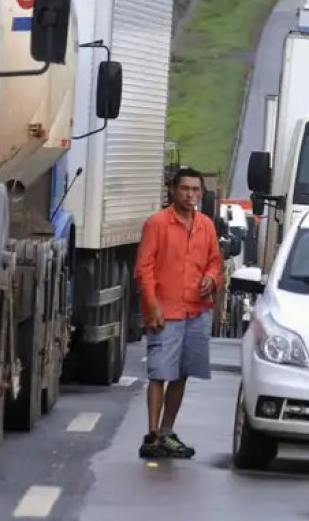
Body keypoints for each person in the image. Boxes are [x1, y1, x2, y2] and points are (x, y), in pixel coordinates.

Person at [134, 167, 223, 459]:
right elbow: (143, 269)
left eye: (196, 190)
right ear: (173, 191)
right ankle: (151, 435)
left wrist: (212, 277)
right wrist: (153, 305)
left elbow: (214, 262)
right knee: (160, 372)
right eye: (185, 189)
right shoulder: (157, 224)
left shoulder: (206, 226)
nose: (190, 195)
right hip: (167, 311)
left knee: (182, 373)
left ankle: (166, 431)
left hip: (196, 312)